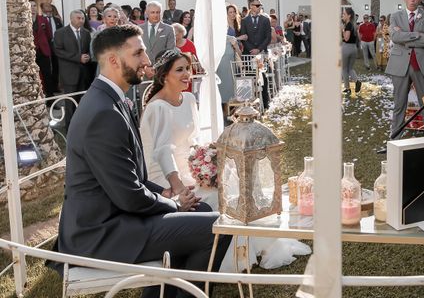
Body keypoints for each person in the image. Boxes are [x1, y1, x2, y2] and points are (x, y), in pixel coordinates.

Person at [56, 25, 230, 298]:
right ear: (113, 60)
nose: (147, 61)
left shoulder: (111, 100)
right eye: (138, 53)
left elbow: (130, 175)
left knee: (200, 209)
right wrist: (174, 203)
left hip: (117, 216)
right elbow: (129, 197)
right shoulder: (103, 112)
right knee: (216, 227)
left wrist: (165, 192)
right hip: (101, 232)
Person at [140, 49, 309, 273]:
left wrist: (209, 163)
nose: (187, 75)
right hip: (164, 177)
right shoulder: (157, 106)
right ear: (164, 76)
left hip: (191, 169)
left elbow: (194, 140)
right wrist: (180, 189)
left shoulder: (189, 98)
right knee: (215, 197)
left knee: (233, 184)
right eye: (179, 70)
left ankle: (251, 247)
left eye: (188, 69)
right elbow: (162, 152)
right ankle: (224, 257)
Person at [386, 0, 424, 138]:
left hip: (422, 65)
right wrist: (417, 35)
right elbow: (395, 37)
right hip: (400, 65)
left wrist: (405, 37)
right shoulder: (395, 16)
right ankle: (395, 137)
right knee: (399, 104)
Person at [30, 0, 56, 97]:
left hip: (44, 51)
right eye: (30, 6)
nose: (32, 8)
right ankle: (36, 97)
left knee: (47, 75)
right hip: (31, 52)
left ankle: (51, 98)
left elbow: (49, 35)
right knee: (33, 76)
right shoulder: (24, 20)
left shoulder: (43, 19)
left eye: (34, 6)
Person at [141, 1, 177, 68]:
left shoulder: (169, 29)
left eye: (158, 12)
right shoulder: (139, 29)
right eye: (152, 12)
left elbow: (170, 51)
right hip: (143, 70)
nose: (155, 15)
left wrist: (156, 67)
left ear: (161, 13)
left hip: (162, 70)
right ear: (147, 13)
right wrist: (145, 68)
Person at [172, 23, 197, 93]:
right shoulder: (171, 44)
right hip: (176, 75)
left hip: (189, 74)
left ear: (181, 33)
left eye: (175, 34)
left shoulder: (189, 44)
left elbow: (195, 59)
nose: (173, 36)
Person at [341, 7, 360, 95]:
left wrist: (342, 30)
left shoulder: (348, 25)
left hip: (347, 47)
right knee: (350, 68)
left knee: (344, 69)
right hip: (353, 48)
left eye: (344, 14)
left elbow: (346, 38)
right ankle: (357, 82)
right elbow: (359, 38)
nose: (342, 15)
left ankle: (347, 88)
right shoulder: (354, 25)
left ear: (349, 16)